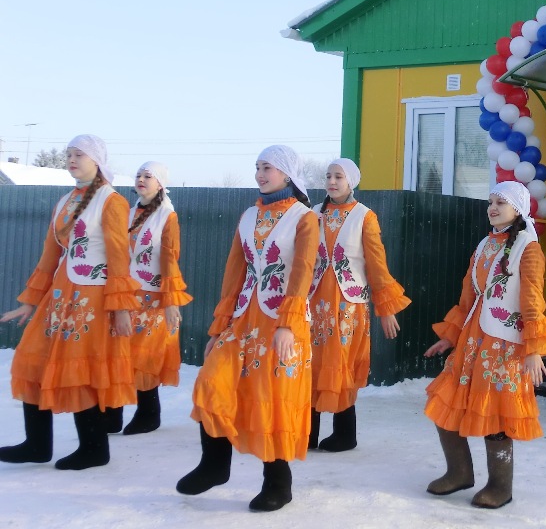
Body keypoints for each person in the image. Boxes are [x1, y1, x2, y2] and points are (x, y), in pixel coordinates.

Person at [176, 145, 317, 512]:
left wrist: (288, 324)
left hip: (282, 322)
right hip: (242, 321)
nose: (259, 173)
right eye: (256, 167)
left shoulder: (304, 218)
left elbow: (302, 272)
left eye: (267, 167)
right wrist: (218, 328)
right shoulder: (248, 216)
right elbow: (234, 275)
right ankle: (214, 465)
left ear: (286, 173)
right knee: (212, 381)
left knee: (273, 400)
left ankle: (278, 483)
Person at [423, 181, 546, 509]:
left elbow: (532, 301)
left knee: (496, 413)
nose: (493, 207)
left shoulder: (528, 248)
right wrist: (449, 336)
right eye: (490, 201)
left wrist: (533, 349)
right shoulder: (485, 244)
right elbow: (468, 296)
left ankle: (500, 485)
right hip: (472, 339)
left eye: (501, 202)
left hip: (505, 342)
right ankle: (459, 472)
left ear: (518, 208)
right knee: (445, 401)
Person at [0, 134, 138, 470]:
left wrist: (121, 307)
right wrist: (31, 302)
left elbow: (120, 257)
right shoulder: (63, 202)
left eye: (80, 154)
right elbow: (50, 256)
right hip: (60, 294)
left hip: (94, 296)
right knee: (31, 363)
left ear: (97, 160)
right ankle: (37, 445)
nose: (72, 160)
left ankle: (94, 449)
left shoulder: (112, 201)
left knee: (80, 370)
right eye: (69, 154)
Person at [307, 158, 410, 452]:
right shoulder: (313, 215)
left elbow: (376, 265)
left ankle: (345, 434)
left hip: (348, 305)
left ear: (351, 181)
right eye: (328, 176)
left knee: (340, 364)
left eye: (338, 176)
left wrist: (386, 308)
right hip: (314, 302)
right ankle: (307, 431)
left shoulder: (365, 216)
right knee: (310, 362)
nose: (332, 181)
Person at [115, 161, 192, 435]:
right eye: (138, 174)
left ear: (160, 183)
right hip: (127, 294)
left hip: (154, 297)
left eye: (148, 176)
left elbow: (170, 259)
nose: (141, 179)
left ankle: (149, 413)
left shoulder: (167, 216)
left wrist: (171, 301)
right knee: (119, 352)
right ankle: (112, 412)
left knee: (143, 356)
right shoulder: (127, 211)